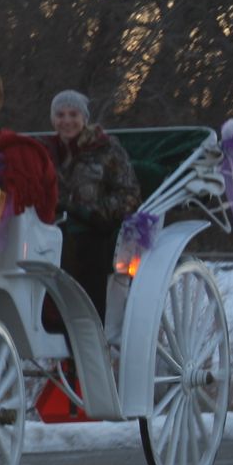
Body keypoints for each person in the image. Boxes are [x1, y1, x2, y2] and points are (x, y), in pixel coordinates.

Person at [49, 89, 140, 322]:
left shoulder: (107, 150)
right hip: (53, 229)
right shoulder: (46, 152)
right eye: (60, 115)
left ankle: (88, 327)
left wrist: (94, 212)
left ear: (84, 118)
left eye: (73, 114)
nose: (66, 121)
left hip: (95, 231)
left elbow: (129, 194)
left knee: (82, 252)